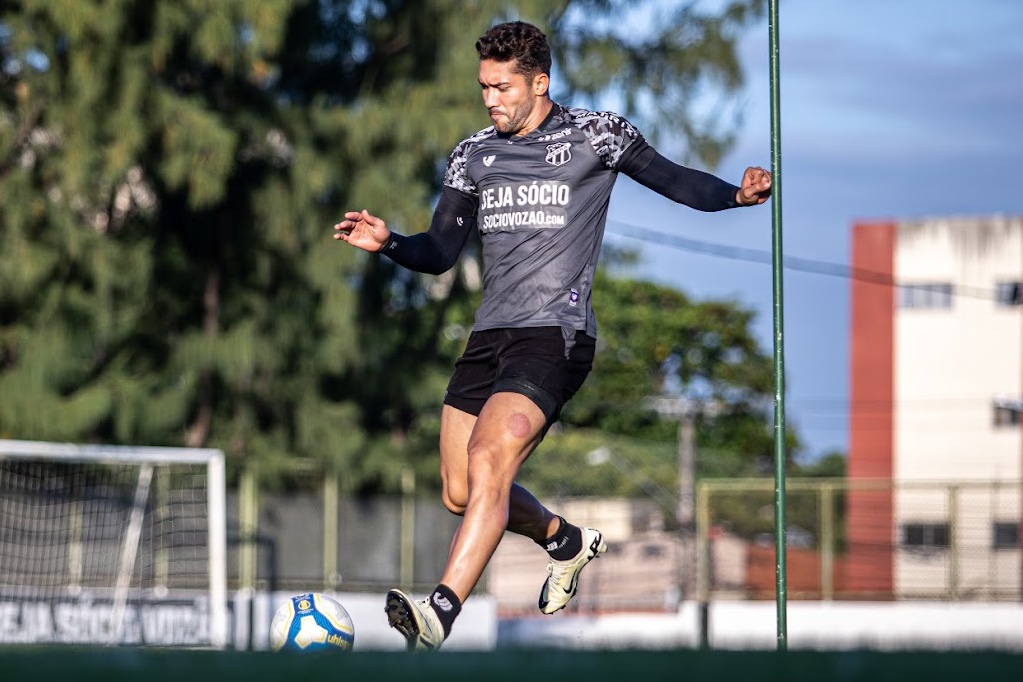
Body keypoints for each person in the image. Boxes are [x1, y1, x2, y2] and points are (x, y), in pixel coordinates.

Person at [334, 20, 771, 651]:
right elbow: (439, 252)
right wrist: (390, 242)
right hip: (489, 338)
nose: (491, 100)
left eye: (503, 87)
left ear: (540, 82)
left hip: (555, 334)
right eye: (484, 87)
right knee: (461, 491)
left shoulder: (597, 134)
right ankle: (565, 541)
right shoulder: (472, 155)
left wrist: (735, 193)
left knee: (490, 462)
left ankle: (439, 611)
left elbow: (678, 182)